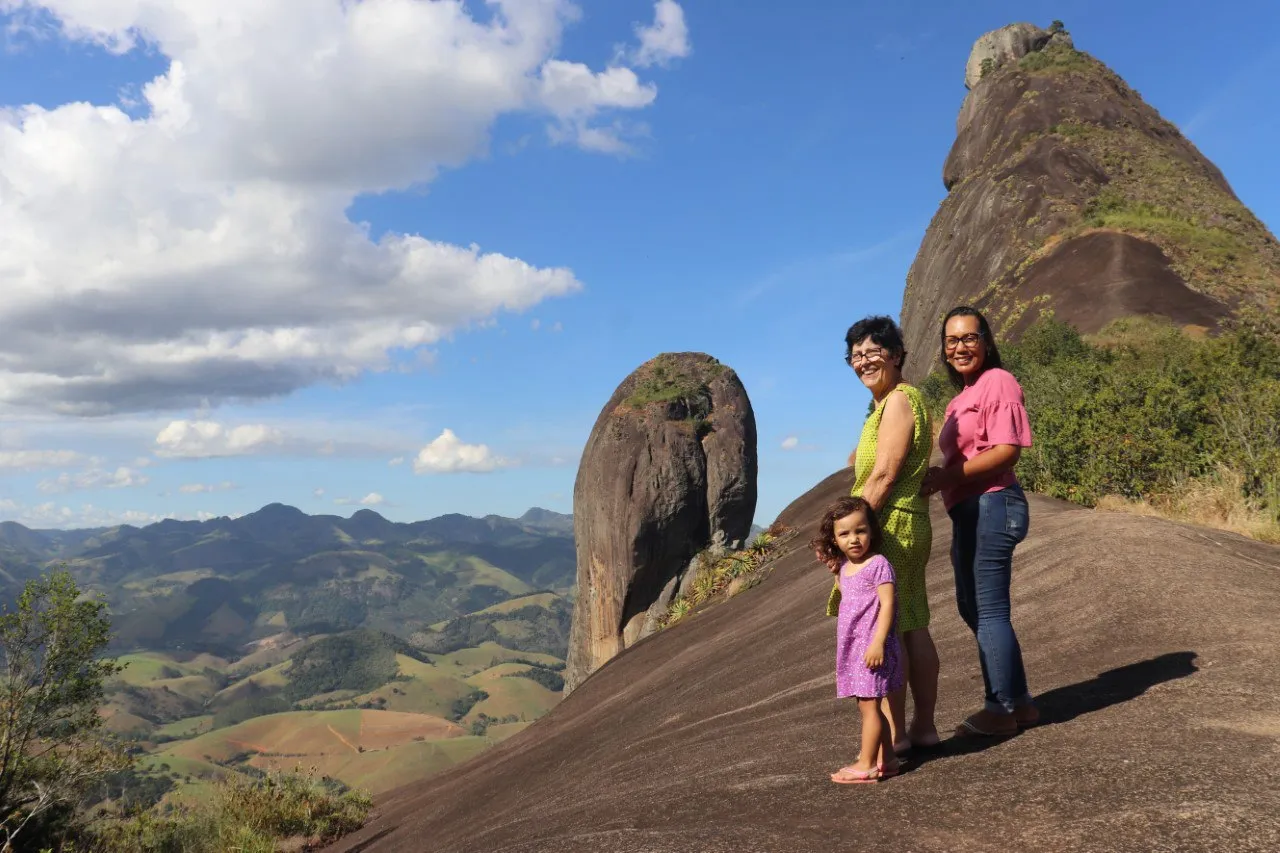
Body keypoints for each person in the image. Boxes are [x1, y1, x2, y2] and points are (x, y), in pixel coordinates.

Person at [921, 306, 1038, 737]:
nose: (960, 347)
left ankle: (1000, 707)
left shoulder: (998, 382)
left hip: (993, 502)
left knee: (988, 609)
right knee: (973, 607)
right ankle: (1021, 702)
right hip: (969, 509)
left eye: (969, 337)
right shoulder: (960, 398)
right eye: (951, 341)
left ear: (986, 341)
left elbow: (1006, 450)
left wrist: (947, 478)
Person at [828, 316, 940, 755]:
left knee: (890, 628)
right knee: (911, 623)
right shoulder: (886, 404)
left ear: (895, 354)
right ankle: (920, 728)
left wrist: (844, 533)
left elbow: (884, 474)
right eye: (855, 355)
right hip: (900, 521)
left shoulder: (898, 401)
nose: (863, 361)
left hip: (890, 524)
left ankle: (898, 734)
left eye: (873, 352)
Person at [812, 496, 904, 784]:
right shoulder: (844, 567)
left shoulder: (878, 564)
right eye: (844, 534)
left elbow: (888, 604)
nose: (854, 539)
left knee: (869, 706)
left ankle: (866, 763)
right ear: (835, 539)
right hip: (854, 648)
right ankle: (887, 760)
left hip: (871, 647)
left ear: (872, 531)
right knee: (867, 704)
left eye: (860, 531)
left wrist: (878, 642)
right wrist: (833, 569)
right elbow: (847, 593)